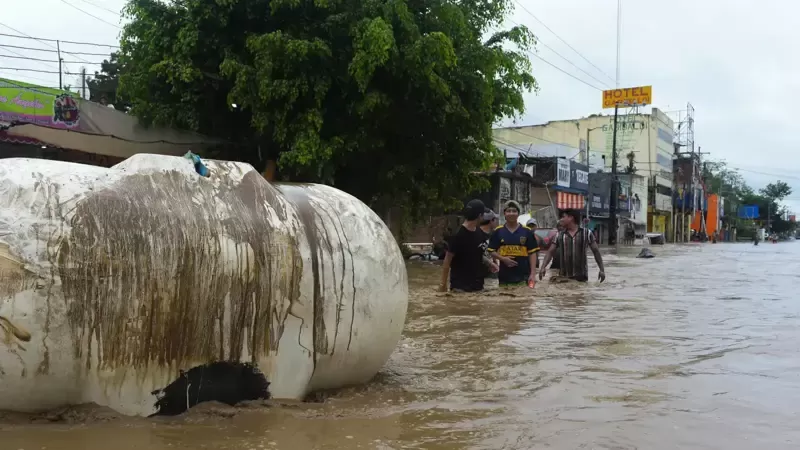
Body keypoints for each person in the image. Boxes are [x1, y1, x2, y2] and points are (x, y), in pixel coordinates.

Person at [439, 200, 499, 292]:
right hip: (460, 288)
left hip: (478, 286)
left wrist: (490, 264)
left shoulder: (478, 232)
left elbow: (476, 253)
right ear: (480, 216)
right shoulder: (458, 235)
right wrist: (443, 285)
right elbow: (447, 261)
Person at [539, 209, 606, 283]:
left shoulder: (587, 233)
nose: (561, 220)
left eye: (563, 217)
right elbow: (550, 252)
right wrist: (543, 267)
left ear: (571, 217)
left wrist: (602, 270)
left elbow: (596, 251)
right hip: (563, 279)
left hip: (581, 279)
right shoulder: (559, 235)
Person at [488, 201, 539, 286]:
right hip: (504, 277)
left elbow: (532, 253)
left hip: (523, 276)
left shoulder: (527, 231)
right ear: (504, 213)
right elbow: (491, 251)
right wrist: (503, 259)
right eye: (508, 211)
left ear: (518, 213)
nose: (511, 213)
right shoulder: (498, 231)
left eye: (514, 211)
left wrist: (533, 274)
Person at [480, 210, 500, 289]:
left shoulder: (494, 234)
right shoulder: (476, 234)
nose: (496, 222)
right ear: (491, 221)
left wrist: (495, 261)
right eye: (495, 219)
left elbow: (494, 250)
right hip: (479, 270)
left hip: (492, 270)